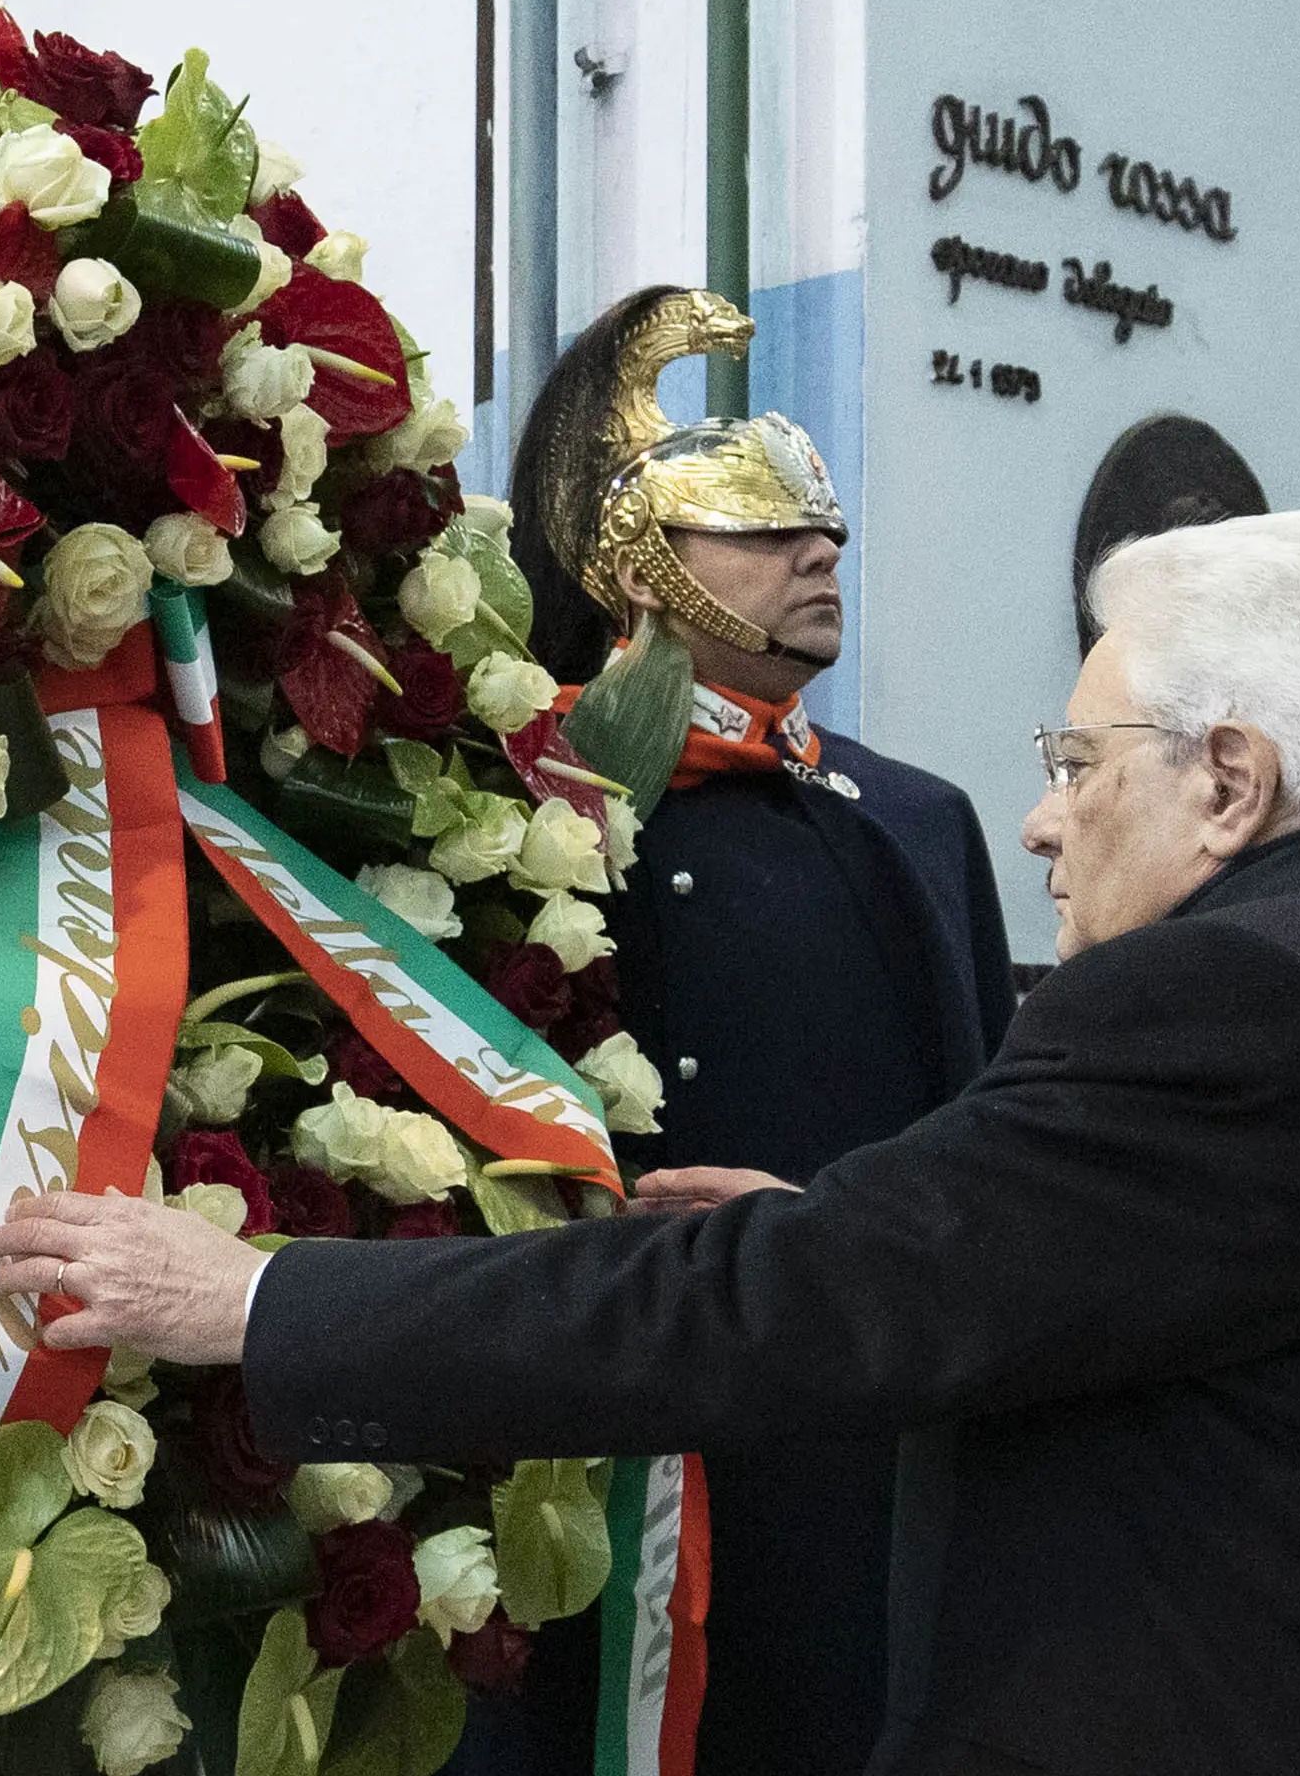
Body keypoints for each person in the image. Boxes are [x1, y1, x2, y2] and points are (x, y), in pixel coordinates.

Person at [0, 509, 1300, 1776]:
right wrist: (858, 1225)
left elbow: (780, 1306)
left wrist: (260, 1303)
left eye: (1075, 760)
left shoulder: (1249, 998)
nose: (1040, 817)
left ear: (1230, 782)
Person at [483, 287, 1015, 1771]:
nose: (820, 551)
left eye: (825, 527)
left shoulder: (917, 816)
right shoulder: (516, 789)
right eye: (764, 527)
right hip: (578, 1374)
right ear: (640, 561)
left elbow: (974, 1127)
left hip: (827, 1404)